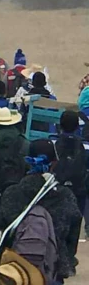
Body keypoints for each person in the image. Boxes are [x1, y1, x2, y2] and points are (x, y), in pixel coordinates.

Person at [0, 139, 82, 283]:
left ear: (29, 161)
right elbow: (72, 234)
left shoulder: (12, 193)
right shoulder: (65, 196)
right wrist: (66, 260)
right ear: (54, 162)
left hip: (17, 269)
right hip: (53, 269)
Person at [53, 110, 88, 260]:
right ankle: (69, 257)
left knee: (55, 220)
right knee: (75, 222)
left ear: (60, 126)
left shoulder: (53, 143)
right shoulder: (84, 147)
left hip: (56, 189)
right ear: (77, 127)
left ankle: (55, 253)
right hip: (78, 190)